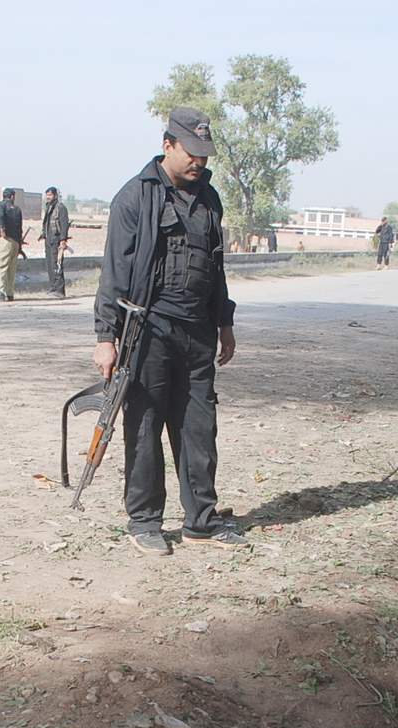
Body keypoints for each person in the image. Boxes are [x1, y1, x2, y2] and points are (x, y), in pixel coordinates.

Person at [92, 105, 245, 557]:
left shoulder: (209, 199)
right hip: (148, 332)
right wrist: (106, 337)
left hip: (197, 333)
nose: (199, 161)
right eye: (191, 152)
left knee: (200, 428)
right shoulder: (135, 197)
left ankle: (201, 519)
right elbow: (113, 272)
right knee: (144, 428)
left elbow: (215, 268)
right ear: (167, 145)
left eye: (205, 153)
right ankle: (144, 521)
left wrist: (225, 321)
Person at [0, 187, 24, 302]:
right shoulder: (18, 209)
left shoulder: (1, 206)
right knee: (11, 268)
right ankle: (10, 293)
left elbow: (0, 217)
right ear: (12, 197)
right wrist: (20, 245)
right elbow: (20, 228)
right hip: (16, 242)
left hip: (6, 240)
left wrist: (2, 230)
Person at [41, 186, 71, 298]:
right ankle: (53, 287)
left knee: (56, 264)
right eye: (47, 195)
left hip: (57, 240)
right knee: (50, 265)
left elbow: (64, 225)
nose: (48, 197)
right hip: (49, 240)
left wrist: (63, 240)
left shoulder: (61, 208)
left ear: (55, 195)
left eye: (50, 195)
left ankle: (59, 290)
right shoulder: (48, 207)